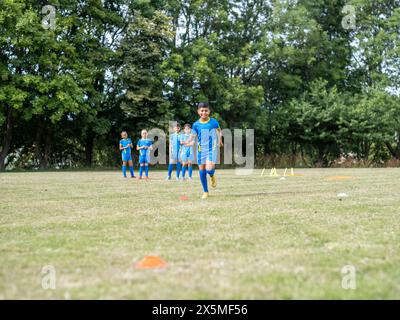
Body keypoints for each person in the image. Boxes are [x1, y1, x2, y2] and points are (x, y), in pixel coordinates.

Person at [188, 102, 223, 199]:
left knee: (209, 169)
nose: (204, 112)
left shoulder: (213, 122)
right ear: (198, 112)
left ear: (209, 111)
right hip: (200, 150)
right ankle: (206, 192)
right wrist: (187, 142)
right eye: (202, 110)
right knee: (202, 170)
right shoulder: (195, 124)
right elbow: (193, 136)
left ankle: (212, 175)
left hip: (212, 148)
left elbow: (220, 131)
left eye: (206, 110)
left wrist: (220, 140)